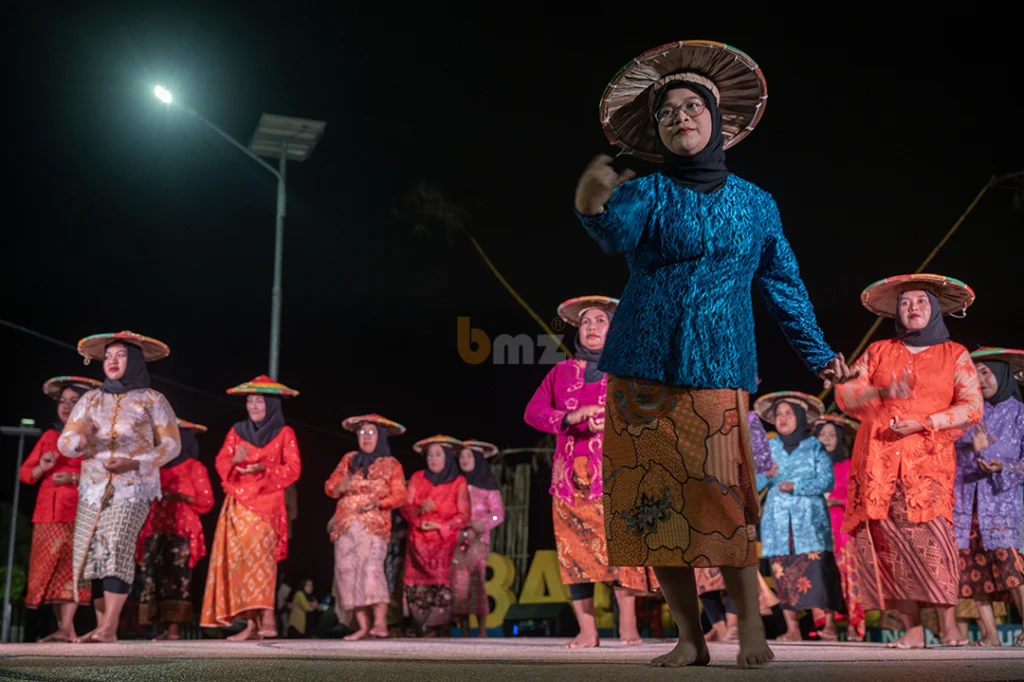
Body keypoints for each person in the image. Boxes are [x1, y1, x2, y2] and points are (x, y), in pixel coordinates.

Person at [574, 40, 854, 668]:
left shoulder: (756, 203)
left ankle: (749, 626)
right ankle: (689, 637)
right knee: (652, 505)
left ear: (716, 119)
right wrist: (593, 201)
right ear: (658, 131)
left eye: (691, 106)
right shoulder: (644, 192)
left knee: (722, 498)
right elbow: (612, 233)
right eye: (667, 112)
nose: (680, 117)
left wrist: (818, 353)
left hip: (719, 364)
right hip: (640, 364)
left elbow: (783, 284)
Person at [835, 275, 983, 649]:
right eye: (905, 303)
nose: (912, 307)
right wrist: (882, 391)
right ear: (897, 312)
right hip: (879, 463)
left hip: (928, 465)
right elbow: (848, 397)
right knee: (892, 546)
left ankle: (948, 625)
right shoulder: (878, 351)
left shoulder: (955, 355)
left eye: (920, 301)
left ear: (933, 309)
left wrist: (925, 422)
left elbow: (972, 407)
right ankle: (913, 628)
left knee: (935, 545)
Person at [524, 296, 659, 649]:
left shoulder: (630, 369)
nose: (592, 327)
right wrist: (569, 417)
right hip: (570, 477)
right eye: (586, 323)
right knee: (573, 552)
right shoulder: (561, 371)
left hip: (617, 473)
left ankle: (628, 625)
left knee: (622, 550)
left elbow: (651, 416)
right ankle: (587, 629)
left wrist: (614, 421)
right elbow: (533, 412)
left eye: (600, 321)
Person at [58, 331, 181, 643]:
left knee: (117, 544)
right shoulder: (90, 400)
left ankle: (110, 626)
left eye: (121, 356)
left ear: (135, 360)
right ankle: (103, 628)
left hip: (133, 487)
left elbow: (172, 445)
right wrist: (82, 438)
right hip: (93, 487)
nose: (112, 362)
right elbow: (66, 443)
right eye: (108, 356)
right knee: (95, 556)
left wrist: (135, 462)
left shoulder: (153, 400)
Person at [200, 375, 302, 641]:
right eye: (250, 401)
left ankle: (268, 617)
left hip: (267, 505)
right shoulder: (237, 431)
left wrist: (264, 468)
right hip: (238, 507)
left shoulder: (284, 433)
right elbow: (221, 462)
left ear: (271, 404)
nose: (254, 406)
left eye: (260, 401)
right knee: (241, 563)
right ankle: (251, 623)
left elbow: (293, 469)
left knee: (263, 561)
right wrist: (234, 459)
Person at [755, 393, 845, 641]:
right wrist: (765, 474)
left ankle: (828, 625)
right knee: (782, 571)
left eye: (788, 413)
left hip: (810, 521)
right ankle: (792, 628)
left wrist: (795, 486)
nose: (782, 418)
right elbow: (755, 483)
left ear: (800, 417)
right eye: (778, 414)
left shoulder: (815, 446)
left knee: (817, 570)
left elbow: (827, 480)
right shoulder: (769, 448)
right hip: (778, 521)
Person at [953, 347, 1024, 647]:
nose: (980, 380)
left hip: (1002, 501)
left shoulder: (1020, 414)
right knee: (972, 567)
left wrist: (1002, 466)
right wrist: (970, 443)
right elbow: (949, 443)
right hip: (966, 498)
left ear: (1002, 373)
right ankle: (990, 633)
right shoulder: (968, 413)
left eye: (986, 372)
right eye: (975, 373)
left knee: (1011, 564)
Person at [20, 376, 101, 641]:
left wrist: (74, 478)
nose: (66, 406)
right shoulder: (49, 436)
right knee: (50, 571)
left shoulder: (93, 438)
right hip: (47, 514)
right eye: (62, 401)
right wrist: (43, 466)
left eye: (73, 401)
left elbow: (103, 474)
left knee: (73, 570)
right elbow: (25, 473)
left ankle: (68, 626)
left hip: (79, 513)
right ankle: (64, 628)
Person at [327, 413, 407, 640]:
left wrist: (379, 503)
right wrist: (339, 487)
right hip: (345, 525)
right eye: (362, 433)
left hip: (374, 525)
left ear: (380, 436)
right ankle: (362, 626)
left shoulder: (392, 464)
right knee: (347, 572)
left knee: (371, 569)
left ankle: (380, 622)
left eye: (371, 432)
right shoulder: (348, 459)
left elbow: (400, 495)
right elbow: (329, 486)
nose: (366, 437)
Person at [136, 418, 215, 640]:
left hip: (182, 530)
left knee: (177, 578)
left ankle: (174, 629)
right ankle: (158, 628)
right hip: (155, 527)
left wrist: (180, 497)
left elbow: (206, 502)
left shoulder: (194, 467)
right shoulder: (155, 468)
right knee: (152, 577)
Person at [400, 435, 470, 636]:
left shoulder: (458, 482)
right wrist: (420, 511)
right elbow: (405, 506)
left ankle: (438, 627)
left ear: (448, 457)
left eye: (438, 454)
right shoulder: (417, 477)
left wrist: (440, 525)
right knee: (416, 586)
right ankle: (419, 625)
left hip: (445, 542)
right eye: (430, 455)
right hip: (418, 541)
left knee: (442, 586)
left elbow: (464, 515)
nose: (433, 459)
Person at [815, 413, 865, 641]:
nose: (826, 438)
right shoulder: (811, 466)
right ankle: (829, 625)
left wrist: (838, 501)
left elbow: (858, 497)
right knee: (823, 576)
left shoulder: (848, 465)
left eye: (831, 434)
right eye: (822, 434)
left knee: (848, 578)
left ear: (839, 439)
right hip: (818, 530)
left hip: (843, 530)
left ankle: (855, 625)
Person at [451, 440, 505, 638]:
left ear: (478, 460)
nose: (464, 460)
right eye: (462, 457)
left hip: (478, 541)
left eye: (469, 456)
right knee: (458, 585)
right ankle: (464, 630)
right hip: (457, 540)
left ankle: (482, 630)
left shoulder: (488, 487)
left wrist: (482, 523)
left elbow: (498, 514)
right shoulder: (455, 484)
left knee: (477, 582)